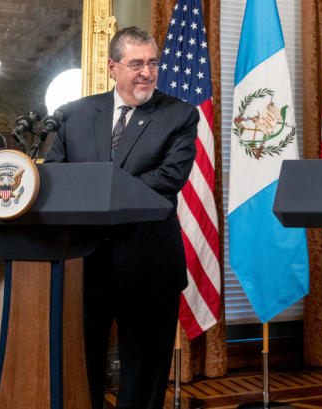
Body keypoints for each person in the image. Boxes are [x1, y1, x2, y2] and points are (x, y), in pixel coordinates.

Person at [45, 27, 198, 409]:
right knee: (81, 364)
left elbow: (168, 178)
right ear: (113, 67)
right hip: (85, 262)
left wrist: (98, 192)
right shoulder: (74, 115)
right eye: (136, 64)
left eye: (152, 62)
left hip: (149, 263)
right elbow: (56, 175)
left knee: (145, 371)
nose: (147, 72)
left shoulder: (179, 115)